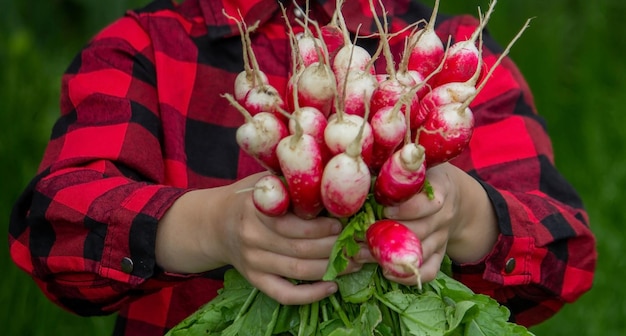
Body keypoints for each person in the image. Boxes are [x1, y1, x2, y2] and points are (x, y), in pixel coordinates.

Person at [9, 0, 596, 334]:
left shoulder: (451, 50)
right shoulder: (143, 47)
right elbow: (53, 229)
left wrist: (468, 216)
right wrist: (209, 226)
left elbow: (568, 253)